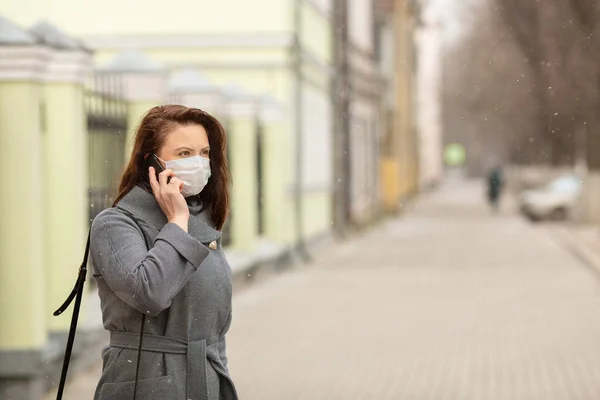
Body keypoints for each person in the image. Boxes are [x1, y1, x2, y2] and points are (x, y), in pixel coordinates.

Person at [90, 105, 238, 400]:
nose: (198, 163)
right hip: (147, 383)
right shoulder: (115, 223)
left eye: (205, 153)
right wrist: (176, 222)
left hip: (206, 382)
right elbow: (149, 294)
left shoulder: (203, 221)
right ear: (152, 162)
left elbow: (213, 329)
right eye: (184, 153)